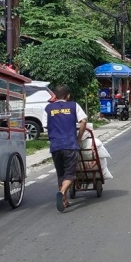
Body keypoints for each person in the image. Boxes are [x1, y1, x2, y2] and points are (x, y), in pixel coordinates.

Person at [45, 84, 88, 212]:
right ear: (68, 96)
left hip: (55, 145)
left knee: (61, 173)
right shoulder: (74, 106)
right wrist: (79, 137)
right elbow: (84, 121)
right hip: (70, 144)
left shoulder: (48, 108)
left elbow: (45, 126)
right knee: (70, 174)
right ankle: (63, 192)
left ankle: (64, 201)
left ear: (54, 96)